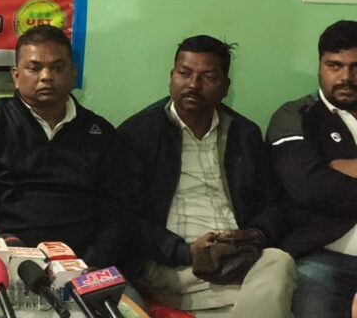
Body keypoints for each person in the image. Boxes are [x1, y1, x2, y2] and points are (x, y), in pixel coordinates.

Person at [120, 35, 295, 316]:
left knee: (279, 262)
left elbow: (273, 204)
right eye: (184, 73)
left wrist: (253, 235)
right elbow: (125, 217)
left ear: (225, 87)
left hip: (237, 257)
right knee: (274, 292)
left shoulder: (244, 133)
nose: (193, 85)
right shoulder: (139, 134)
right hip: (174, 264)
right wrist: (186, 251)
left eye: (208, 77)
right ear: (171, 77)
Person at [0, 24, 134, 270]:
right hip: (10, 263)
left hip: (84, 265)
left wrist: (91, 264)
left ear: (73, 73)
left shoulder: (100, 133)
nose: (46, 77)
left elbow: (117, 212)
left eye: (57, 67)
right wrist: (4, 249)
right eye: (34, 68)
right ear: (16, 76)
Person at [267, 20, 357, 317]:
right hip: (322, 259)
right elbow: (309, 187)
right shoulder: (295, 115)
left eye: (356, 67)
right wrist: (328, 175)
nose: (346, 77)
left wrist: (340, 167)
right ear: (319, 65)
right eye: (335, 66)